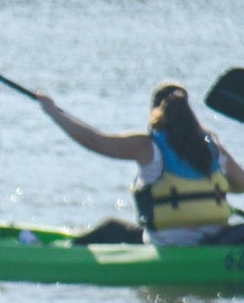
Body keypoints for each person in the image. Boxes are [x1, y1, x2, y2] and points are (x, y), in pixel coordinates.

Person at [34, 81, 244, 246]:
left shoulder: (148, 146)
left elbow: (94, 141)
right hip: (215, 239)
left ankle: (60, 254)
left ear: (154, 111)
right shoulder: (212, 147)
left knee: (111, 229)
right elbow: (240, 184)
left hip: (169, 245)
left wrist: (53, 111)